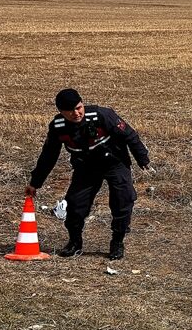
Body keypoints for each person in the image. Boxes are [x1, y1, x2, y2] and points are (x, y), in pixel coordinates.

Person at [26, 88, 151, 261]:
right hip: (86, 167)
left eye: (79, 107)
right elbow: (48, 156)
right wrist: (35, 182)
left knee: (123, 199)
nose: (76, 113)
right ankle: (75, 242)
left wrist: (142, 158)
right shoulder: (58, 127)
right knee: (75, 205)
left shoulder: (102, 115)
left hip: (114, 162)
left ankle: (117, 242)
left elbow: (129, 135)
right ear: (61, 112)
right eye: (70, 111)